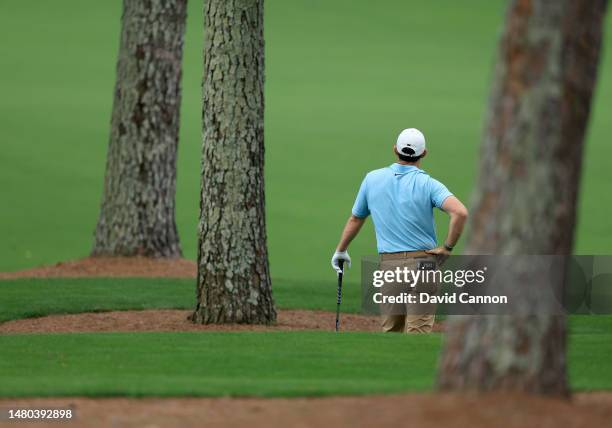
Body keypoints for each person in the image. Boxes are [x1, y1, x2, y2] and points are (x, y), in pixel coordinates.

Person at [331, 128, 468, 333]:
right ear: (424, 153)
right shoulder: (429, 184)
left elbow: (356, 218)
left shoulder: (372, 179)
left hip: (390, 265)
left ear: (395, 149)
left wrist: (341, 250)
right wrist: (447, 247)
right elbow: (460, 213)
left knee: (392, 334)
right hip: (426, 264)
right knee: (417, 335)